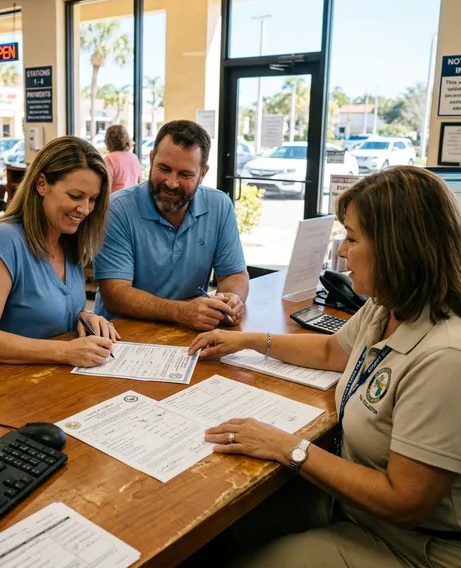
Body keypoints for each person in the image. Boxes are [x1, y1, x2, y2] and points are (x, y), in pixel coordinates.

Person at [187, 166, 461, 568]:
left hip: (411, 544)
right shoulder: (386, 304)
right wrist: (247, 341)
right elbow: (332, 351)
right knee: (221, 532)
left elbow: (404, 502)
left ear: (396, 247)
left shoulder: (445, 356)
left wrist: (286, 446)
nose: (342, 252)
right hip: (354, 505)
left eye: (351, 238)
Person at [0, 136, 118, 367]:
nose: (85, 209)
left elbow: (42, 314)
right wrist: (64, 351)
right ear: (41, 184)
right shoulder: (3, 240)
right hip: (8, 390)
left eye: (93, 199)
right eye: (75, 196)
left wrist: (83, 318)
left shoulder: (68, 239)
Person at [94, 119, 248, 331]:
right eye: (164, 169)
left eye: (185, 174)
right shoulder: (117, 209)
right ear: (151, 159)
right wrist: (181, 312)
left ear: (203, 174)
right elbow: (115, 294)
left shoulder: (219, 206)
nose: (171, 183)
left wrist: (232, 300)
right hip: (123, 336)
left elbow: (234, 274)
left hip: (190, 332)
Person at [103, 124, 142, 192]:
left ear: (108, 141)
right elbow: (139, 182)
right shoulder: (134, 158)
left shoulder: (109, 159)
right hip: (132, 200)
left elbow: (107, 187)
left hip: (115, 201)